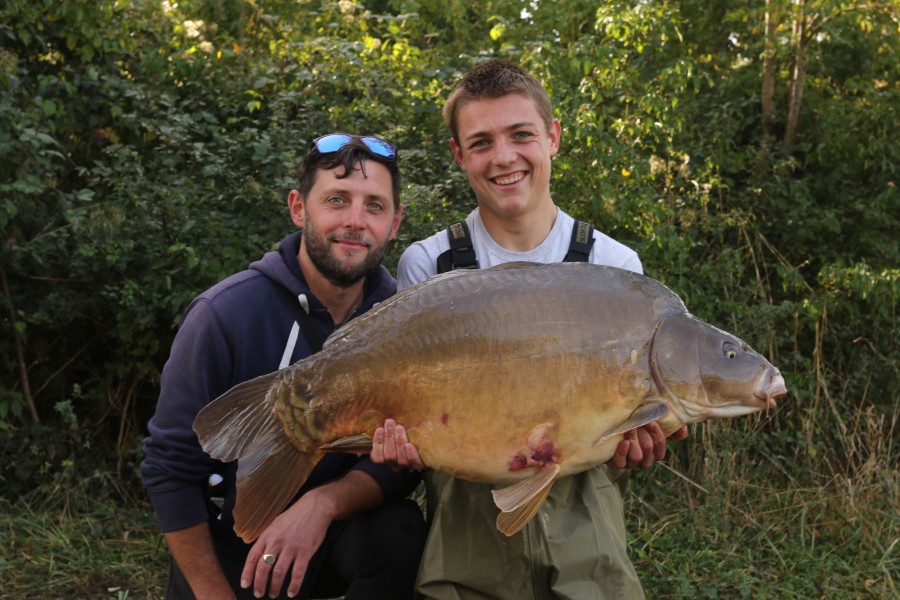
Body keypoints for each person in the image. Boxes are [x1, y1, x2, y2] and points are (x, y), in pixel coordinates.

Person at [372, 60, 688, 599]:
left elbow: (631, 422)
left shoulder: (615, 267)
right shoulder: (431, 264)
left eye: (521, 134)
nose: (504, 157)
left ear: (553, 137)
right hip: (466, 533)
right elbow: (407, 410)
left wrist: (638, 442)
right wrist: (399, 439)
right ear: (459, 155)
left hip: (588, 534)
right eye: (481, 142)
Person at [141, 134, 426, 600]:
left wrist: (324, 503)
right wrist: (213, 592)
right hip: (233, 546)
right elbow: (169, 468)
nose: (355, 221)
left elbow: (403, 460)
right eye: (337, 200)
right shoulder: (224, 315)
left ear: (394, 223)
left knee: (399, 531)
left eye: (374, 206)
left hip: (334, 532)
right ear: (298, 208)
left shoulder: (406, 323)